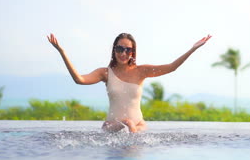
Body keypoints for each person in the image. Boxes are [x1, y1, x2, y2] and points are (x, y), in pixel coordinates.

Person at [47, 33, 211, 133]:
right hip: (112, 128)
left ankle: (131, 127)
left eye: (128, 50)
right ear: (114, 50)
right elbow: (79, 80)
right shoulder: (105, 73)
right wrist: (62, 52)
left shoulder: (142, 71)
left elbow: (172, 67)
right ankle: (128, 126)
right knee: (125, 125)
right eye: (120, 49)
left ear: (133, 52)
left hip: (138, 128)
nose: (123, 53)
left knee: (132, 127)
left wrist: (193, 48)